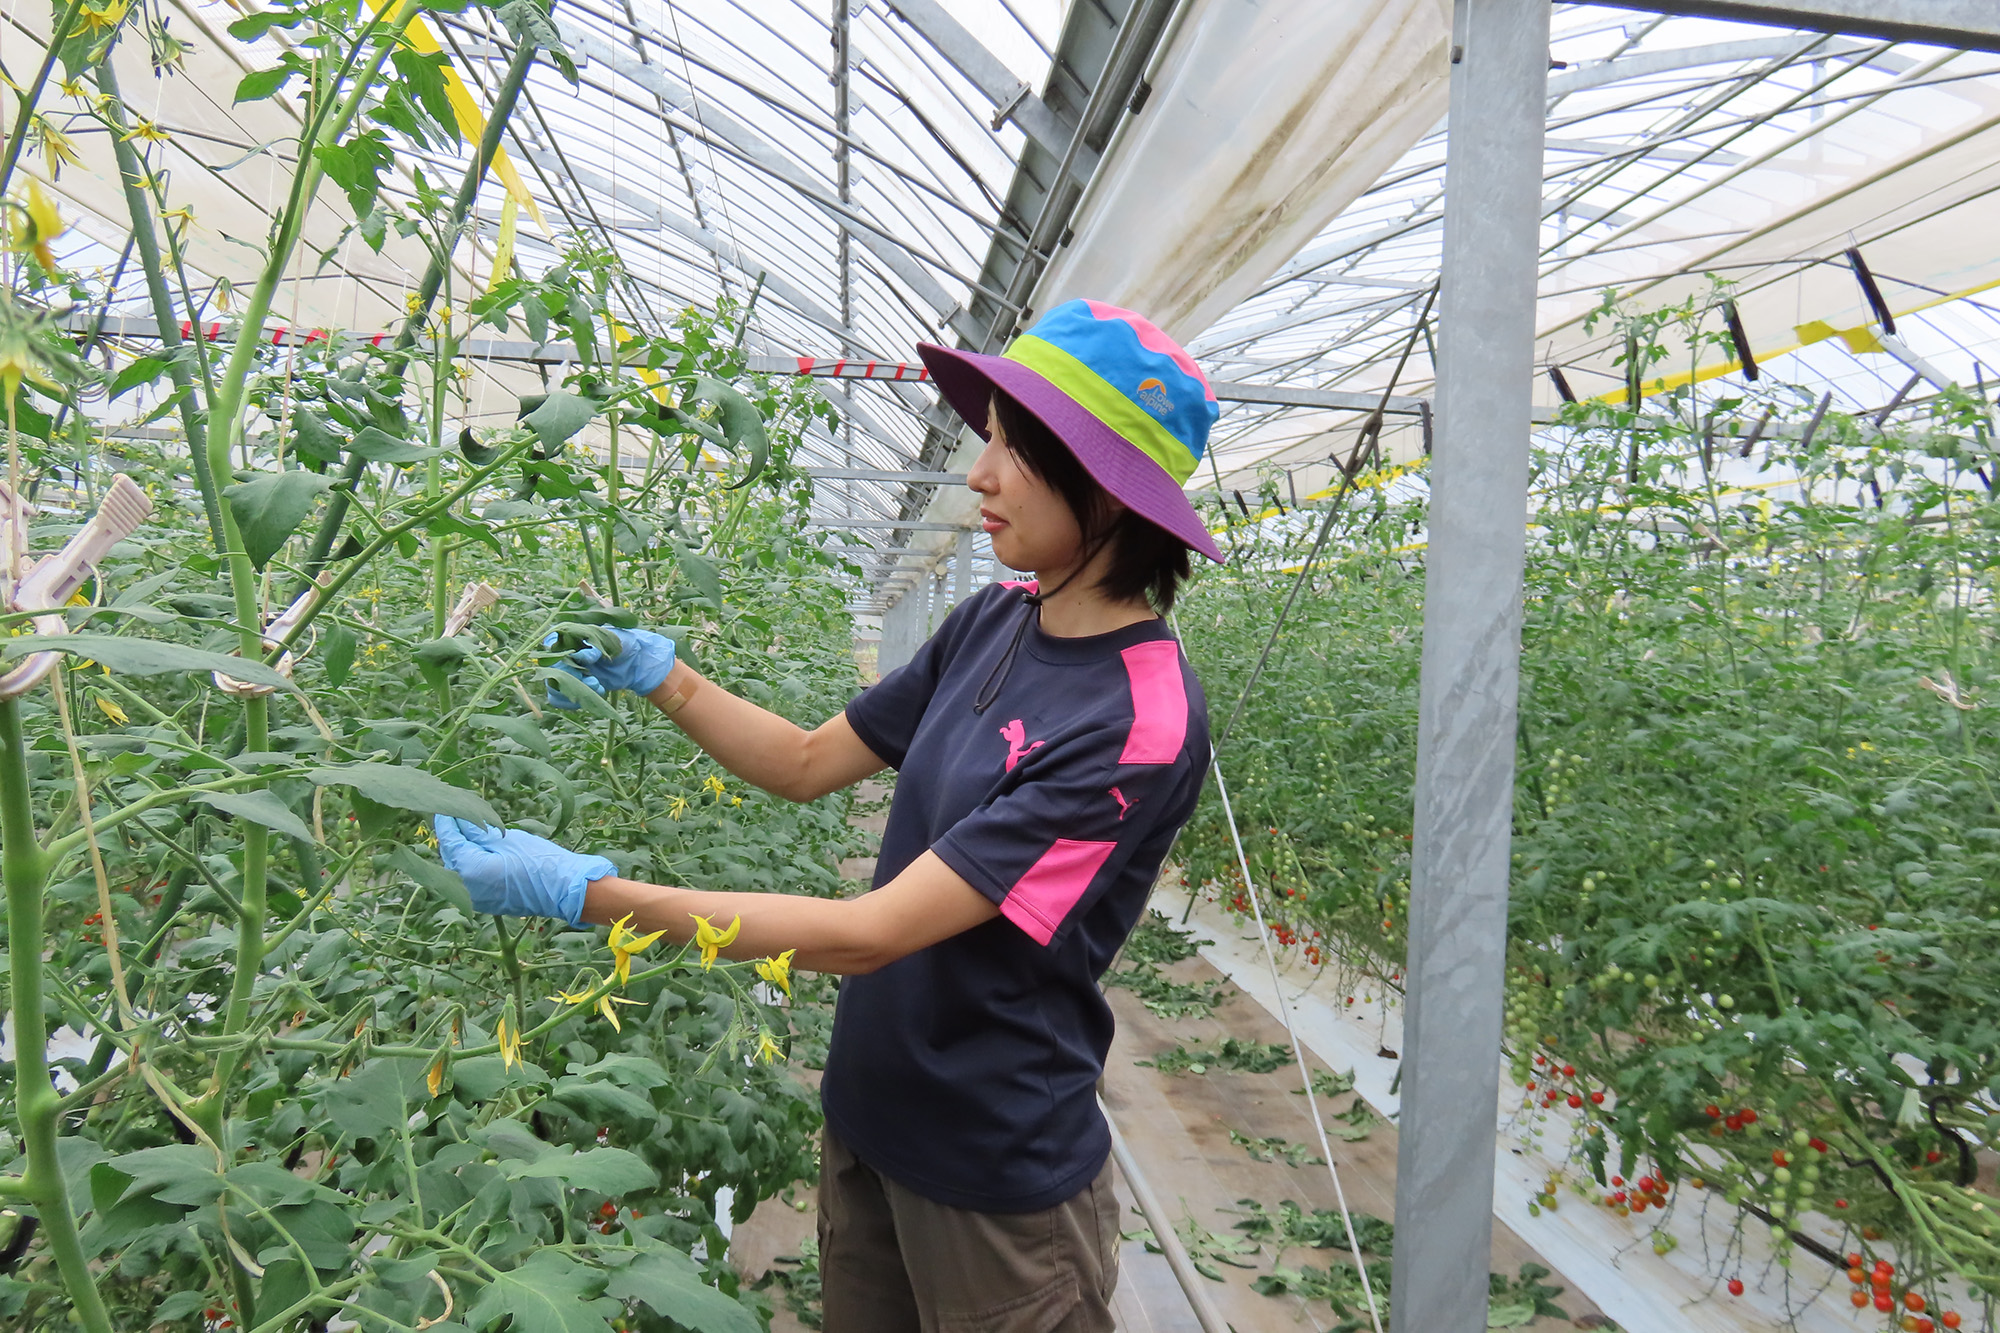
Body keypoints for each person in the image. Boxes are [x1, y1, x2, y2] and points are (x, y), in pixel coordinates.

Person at [431, 298, 1225, 1332]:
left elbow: (868, 935)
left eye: (1011, 448)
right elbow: (807, 763)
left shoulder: (1137, 719)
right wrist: (660, 674)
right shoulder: (991, 621)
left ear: (1106, 485)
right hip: (869, 1116)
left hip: (993, 1170)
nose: (979, 476)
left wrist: (584, 894)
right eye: (984, 441)